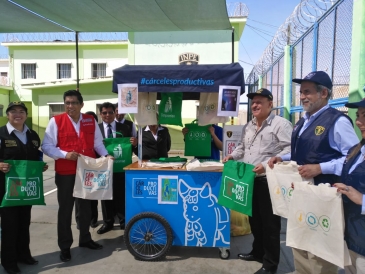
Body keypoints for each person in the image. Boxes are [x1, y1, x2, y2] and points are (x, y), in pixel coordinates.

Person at [268, 71, 359, 273]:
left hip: (323, 198)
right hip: (301, 196)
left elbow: (353, 158)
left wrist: (320, 168)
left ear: (324, 93)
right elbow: (303, 150)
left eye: (307, 92)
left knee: (318, 256)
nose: (302, 97)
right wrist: (281, 158)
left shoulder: (337, 121)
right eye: (301, 92)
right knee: (299, 246)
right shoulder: (303, 121)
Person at [223, 88, 293, 274]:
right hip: (250, 180)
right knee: (254, 221)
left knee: (270, 225)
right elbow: (242, 148)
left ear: (270, 104)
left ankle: (270, 265)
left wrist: (265, 164)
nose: (255, 105)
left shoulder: (281, 124)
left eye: (259, 102)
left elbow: (290, 150)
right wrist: (232, 156)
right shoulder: (249, 125)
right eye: (253, 102)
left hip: (269, 180)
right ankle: (257, 252)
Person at [42, 90, 112, 263]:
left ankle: (85, 238)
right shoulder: (55, 121)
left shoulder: (90, 121)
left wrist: (105, 156)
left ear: (82, 105)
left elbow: (97, 143)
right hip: (66, 172)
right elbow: (46, 146)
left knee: (86, 207)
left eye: (74, 103)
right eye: (67, 103)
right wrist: (65, 154)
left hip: (87, 171)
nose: (70, 106)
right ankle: (65, 247)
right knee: (65, 209)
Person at [0, 102, 48, 274]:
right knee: (9, 225)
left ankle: (23, 255)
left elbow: (36, 158)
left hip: (27, 188)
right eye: (13, 111)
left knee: (24, 223)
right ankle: (9, 262)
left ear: (26, 115)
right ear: (8, 115)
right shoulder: (1, 134)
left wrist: (40, 166)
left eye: (21, 111)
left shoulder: (33, 135)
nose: (17, 114)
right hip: (7, 190)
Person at [333, 98, 365, 274]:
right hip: (351, 235)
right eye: (358, 116)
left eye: (364, 116)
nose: (359, 122)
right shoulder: (357, 149)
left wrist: (362, 199)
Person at [97, 102, 137, 234]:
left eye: (110, 112)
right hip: (103, 168)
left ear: (115, 113)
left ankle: (124, 222)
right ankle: (107, 223)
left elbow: (133, 147)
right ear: (101, 114)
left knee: (121, 195)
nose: (107, 115)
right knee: (105, 196)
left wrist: (134, 144)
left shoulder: (125, 127)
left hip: (121, 167)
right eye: (104, 113)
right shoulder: (97, 129)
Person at [74, 111, 99, 229]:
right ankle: (80, 221)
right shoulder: (80, 133)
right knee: (79, 197)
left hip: (94, 168)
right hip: (79, 168)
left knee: (92, 196)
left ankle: (93, 219)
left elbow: (99, 147)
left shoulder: (97, 132)